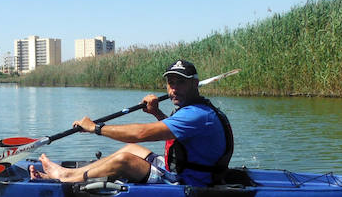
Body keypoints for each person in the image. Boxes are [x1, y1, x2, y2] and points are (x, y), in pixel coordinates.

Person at [29, 59, 233, 186]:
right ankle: (69, 173)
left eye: (181, 82)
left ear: (195, 84)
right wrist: (156, 112)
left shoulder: (197, 115)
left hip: (187, 182)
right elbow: (177, 135)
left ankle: (63, 179)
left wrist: (96, 128)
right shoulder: (193, 110)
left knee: (124, 160)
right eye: (171, 83)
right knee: (132, 149)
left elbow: (142, 133)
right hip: (177, 169)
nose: (174, 89)